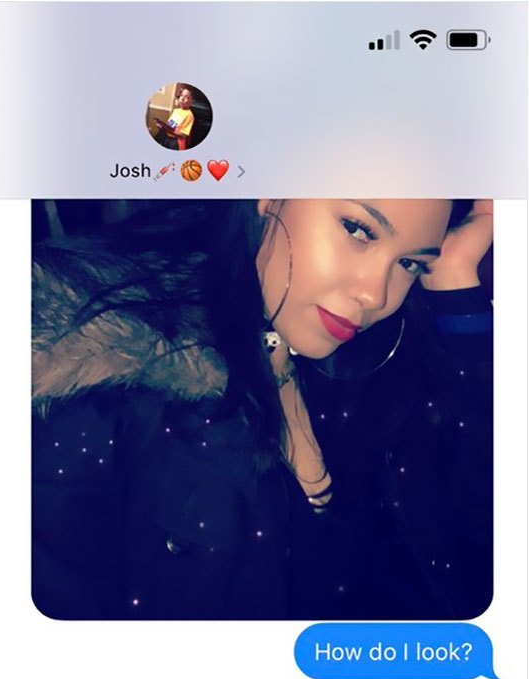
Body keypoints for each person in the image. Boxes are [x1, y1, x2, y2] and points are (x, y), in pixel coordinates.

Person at [32, 199, 493, 620]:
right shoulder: (97, 391)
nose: (377, 295)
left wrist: (454, 284)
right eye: (357, 229)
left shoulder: (354, 362)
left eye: (409, 263)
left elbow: (474, 531)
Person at [153, 86, 195, 151]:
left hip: (174, 142)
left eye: (187, 97)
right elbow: (170, 125)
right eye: (181, 95)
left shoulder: (189, 115)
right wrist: (161, 127)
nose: (182, 98)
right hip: (164, 137)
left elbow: (183, 135)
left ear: (192, 101)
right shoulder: (176, 111)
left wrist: (169, 130)